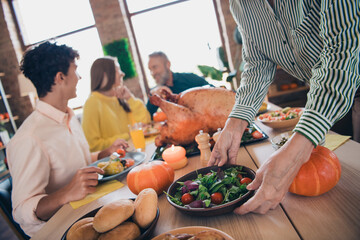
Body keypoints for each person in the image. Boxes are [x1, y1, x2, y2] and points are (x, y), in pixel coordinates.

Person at [209, 0, 359, 215]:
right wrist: (235, 122)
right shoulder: (240, 5)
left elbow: (341, 52)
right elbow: (257, 64)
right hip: (325, 93)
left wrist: (299, 147)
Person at [6, 42, 127, 237]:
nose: (80, 77)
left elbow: (76, 163)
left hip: (90, 211)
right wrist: (65, 194)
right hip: (63, 231)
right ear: (60, 77)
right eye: (76, 71)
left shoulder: (68, 117)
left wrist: (103, 153)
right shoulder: (29, 138)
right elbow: (21, 211)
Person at [82, 56, 150, 152]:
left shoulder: (119, 98)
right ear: (105, 75)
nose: (123, 74)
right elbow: (93, 145)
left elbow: (145, 122)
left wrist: (130, 98)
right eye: (118, 70)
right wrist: (127, 135)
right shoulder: (92, 103)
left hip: (136, 151)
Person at [146, 51, 211, 116]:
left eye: (155, 67)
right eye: (150, 70)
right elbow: (148, 118)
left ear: (168, 64)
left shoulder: (190, 78)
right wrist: (153, 97)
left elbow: (211, 89)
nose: (152, 73)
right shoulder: (157, 92)